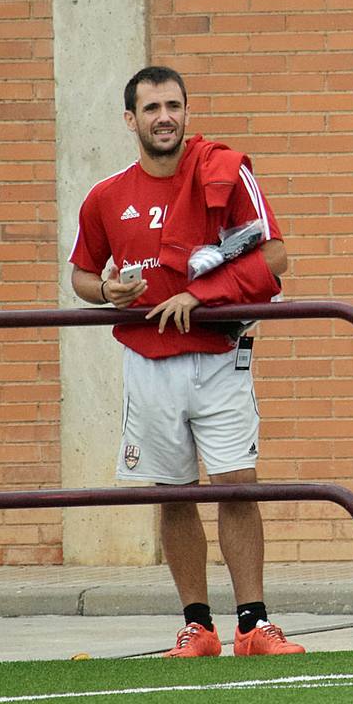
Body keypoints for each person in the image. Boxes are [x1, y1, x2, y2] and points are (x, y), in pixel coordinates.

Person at [69, 66, 303, 658]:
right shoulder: (105, 196)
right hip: (147, 362)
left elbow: (275, 256)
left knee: (237, 489)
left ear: (187, 112)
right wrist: (107, 291)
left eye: (173, 105)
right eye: (151, 108)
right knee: (174, 494)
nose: (164, 116)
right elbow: (81, 276)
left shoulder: (224, 172)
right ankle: (197, 627)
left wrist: (199, 294)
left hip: (220, 354)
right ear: (131, 120)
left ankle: (254, 625)